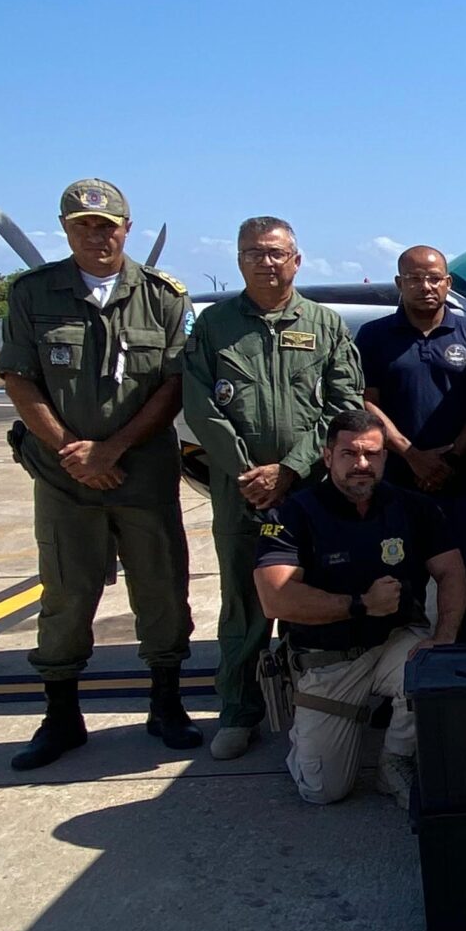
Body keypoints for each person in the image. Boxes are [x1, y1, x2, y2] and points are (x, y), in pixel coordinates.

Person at [0, 177, 201, 769]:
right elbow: (19, 379)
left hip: (143, 474)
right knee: (66, 594)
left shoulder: (163, 297)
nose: (96, 236)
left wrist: (112, 450)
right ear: (65, 230)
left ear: (125, 229)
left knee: (162, 591)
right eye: (83, 226)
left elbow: (173, 383)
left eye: (107, 226)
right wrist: (72, 452)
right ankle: (61, 717)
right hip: (65, 479)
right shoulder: (32, 294)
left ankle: (166, 706)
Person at [182, 216, 366, 762]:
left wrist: (289, 469)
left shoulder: (325, 325)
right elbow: (200, 406)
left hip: (309, 492)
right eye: (253, 253)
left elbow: (343, 405)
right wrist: (248, 472)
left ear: (296, 260)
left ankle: (316, 704)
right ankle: (239, 711)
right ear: (239, 260)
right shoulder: (214, 326)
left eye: (275, 252)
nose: (265, 262)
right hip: (239, 491)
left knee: (313, 597)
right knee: (243, 605)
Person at [253, 411, 466, 807]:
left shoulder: (413, 507)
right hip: (328, 659)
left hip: (393, 643)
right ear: (327, 456)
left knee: (431, 669)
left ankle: (395, 762)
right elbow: (275, 598)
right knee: (323, 790)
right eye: (349, 454)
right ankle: (309, 733)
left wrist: (444, 638)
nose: (362, 464)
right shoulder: (293, 513)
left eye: (373, 454)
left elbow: (452, 572)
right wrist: (361, 604)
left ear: (385, 457)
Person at [356, 245, 466, 645]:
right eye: (415, 278)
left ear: (448, 283)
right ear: (398, 283)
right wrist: (412, 455)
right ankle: (398, 669)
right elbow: (366, 401)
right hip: (397, 485)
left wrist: (453, 456)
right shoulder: (373, 336)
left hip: (463, 482)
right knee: (397, 580)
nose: (426, 286)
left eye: (434, 278)